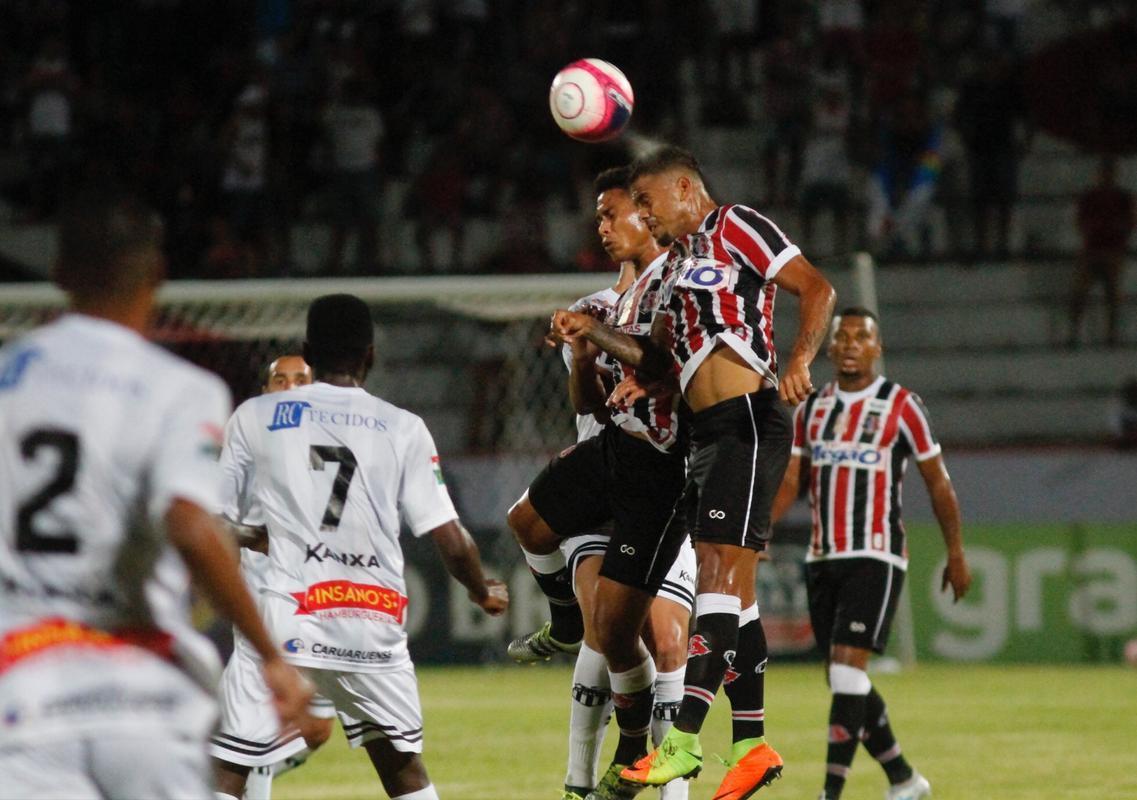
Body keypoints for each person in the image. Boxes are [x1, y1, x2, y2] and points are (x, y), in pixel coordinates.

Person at [0, 189, 311, 798]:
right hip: (141, 689)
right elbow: (192, 526)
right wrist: (271, 655)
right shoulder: (178, 389)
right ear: (159, 276)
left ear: (60, 274)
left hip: (24, 691)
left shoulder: (10, 377)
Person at [553, 145, 836, 800]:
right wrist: (602, 348)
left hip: (747, 418)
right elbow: (654, 358)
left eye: (647, 202)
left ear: (684, 189)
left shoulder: (737, 225)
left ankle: (680, 742)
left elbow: (815, 287)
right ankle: (750, 744)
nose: (644, 217)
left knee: (718, 578)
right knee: (735, 592)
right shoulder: (675, 268)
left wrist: (798, 359)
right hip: (705, 433)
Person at [218, 293, 508, 800]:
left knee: (228, 767)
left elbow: (215, 523)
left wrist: (254, 537)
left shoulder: (255, 417)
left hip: (286, 620)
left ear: (307, 352)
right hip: (372, 625)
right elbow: (449, 536)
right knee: (403, 772)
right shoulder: (404, 427)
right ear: (370, 354)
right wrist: (481, 589)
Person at [506, 167, 695, 800]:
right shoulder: (593, 308)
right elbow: (587, 405)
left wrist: (602, 340)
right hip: (608, 454)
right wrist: (583, 356)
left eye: (615, 213)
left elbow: (668, 362)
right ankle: (581, 776)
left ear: (648, 213)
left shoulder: (679, 285)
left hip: (665, 473)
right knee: (529, 527)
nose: (604, 226)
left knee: (645, 637)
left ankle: (647, 763)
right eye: (599, 218)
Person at [770, 307, 972, 800]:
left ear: (877, 349)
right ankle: (904, 779)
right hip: (822, 555)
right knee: (845, 679)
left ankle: (830, 793)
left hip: (877, 554)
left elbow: (937, 481)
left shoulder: (902, 406)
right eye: (844, 337)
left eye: (863, 337)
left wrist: (956, 552)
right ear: (832, 347)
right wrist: (760, 533)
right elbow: (793, 480)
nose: (853, 344)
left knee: (844, 673)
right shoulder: (813, 409)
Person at [211, 354, 335, 800]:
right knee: (258, 726)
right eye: (279, 380)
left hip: (325, 600)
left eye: (300, 379)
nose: (289, 388)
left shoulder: (336, 442)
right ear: (266, 393)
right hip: (265, 596)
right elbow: (215, 519)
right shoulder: (247, 441)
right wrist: (259, 536)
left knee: (315, 729)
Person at [1069, 157, 1135, 348]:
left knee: (1112, 295)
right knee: (1080, 293)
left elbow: (1129, 223)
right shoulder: (1090, 197)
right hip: (1093, 250)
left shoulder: (1123, 198)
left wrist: (1110, 229)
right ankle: (1074, 334)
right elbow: (1082, 221)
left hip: (1111, 251)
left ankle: (1111, 335)